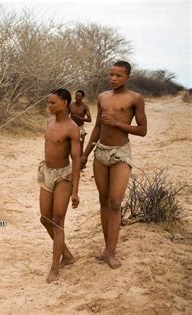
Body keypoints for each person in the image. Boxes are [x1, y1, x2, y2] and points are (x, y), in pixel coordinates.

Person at [81, 61, 147, 269]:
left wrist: (118, 124)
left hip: (120, 153)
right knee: (103, 200)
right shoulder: (102, 97)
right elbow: (98, 127)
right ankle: (106, 249)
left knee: (115, 203)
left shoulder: (135, 98)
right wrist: (85, 154)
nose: (113, 78)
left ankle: (111, 252)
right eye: (111, 74)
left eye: (118, 75)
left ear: (128, 77)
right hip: (101, 152)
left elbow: (143, 130)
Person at [38, 88, 81, 283]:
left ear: (64, 103)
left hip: (64, 175)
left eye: (53, 103)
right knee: (45, 219)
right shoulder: (49, 122)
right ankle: (67, 255)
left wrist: (75, 191)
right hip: (47, 173)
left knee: (57, 220)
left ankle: (55, 268)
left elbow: (76, 159)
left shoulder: (72, 128)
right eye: (48, 103)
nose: (49, 106)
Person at [69, 90, 92, 168]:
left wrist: (79, 117)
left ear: (82, 97)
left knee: (80, 147)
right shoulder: (71, 105)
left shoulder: (85, 106)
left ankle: (81, 164)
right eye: (76, 95)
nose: (77, 97)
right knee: (70, 145)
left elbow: (90, 119)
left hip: (80, 128)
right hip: (71, 127)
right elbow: (65, 115)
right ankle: (73, 162)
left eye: (79, 96)